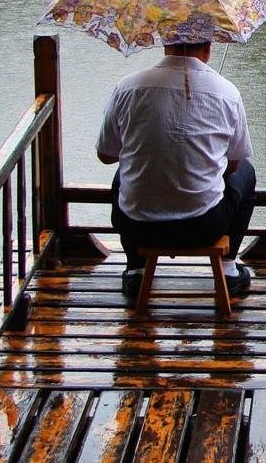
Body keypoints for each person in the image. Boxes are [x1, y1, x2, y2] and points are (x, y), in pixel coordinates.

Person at [97, 40, 257, 303]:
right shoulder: (227, 92)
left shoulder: (127, 87)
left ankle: (136, 268)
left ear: (164, 45)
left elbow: (106, 155)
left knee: (123, 173)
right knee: (246, 174)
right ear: (207, 48)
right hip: (203, 226)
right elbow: (235, 164)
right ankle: (228, 269)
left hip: (139, 227)